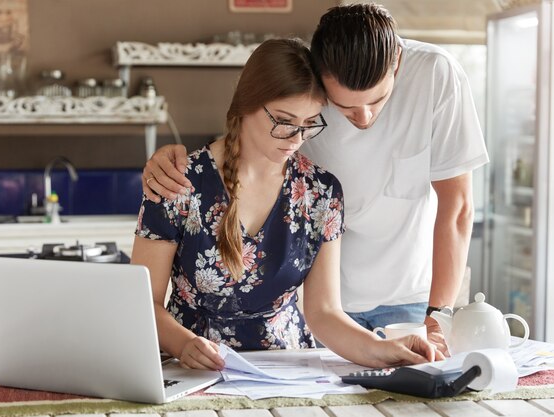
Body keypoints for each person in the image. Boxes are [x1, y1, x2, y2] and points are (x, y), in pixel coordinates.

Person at [140, 3, 489, 356]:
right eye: (284, 120)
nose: (295, 137)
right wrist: (185, 345)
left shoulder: (319, 192)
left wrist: (419, 327)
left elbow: (457, 207)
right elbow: (140, 305)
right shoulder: (181, 183)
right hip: (216, 356)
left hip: (379, 308)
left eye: (308, 124)